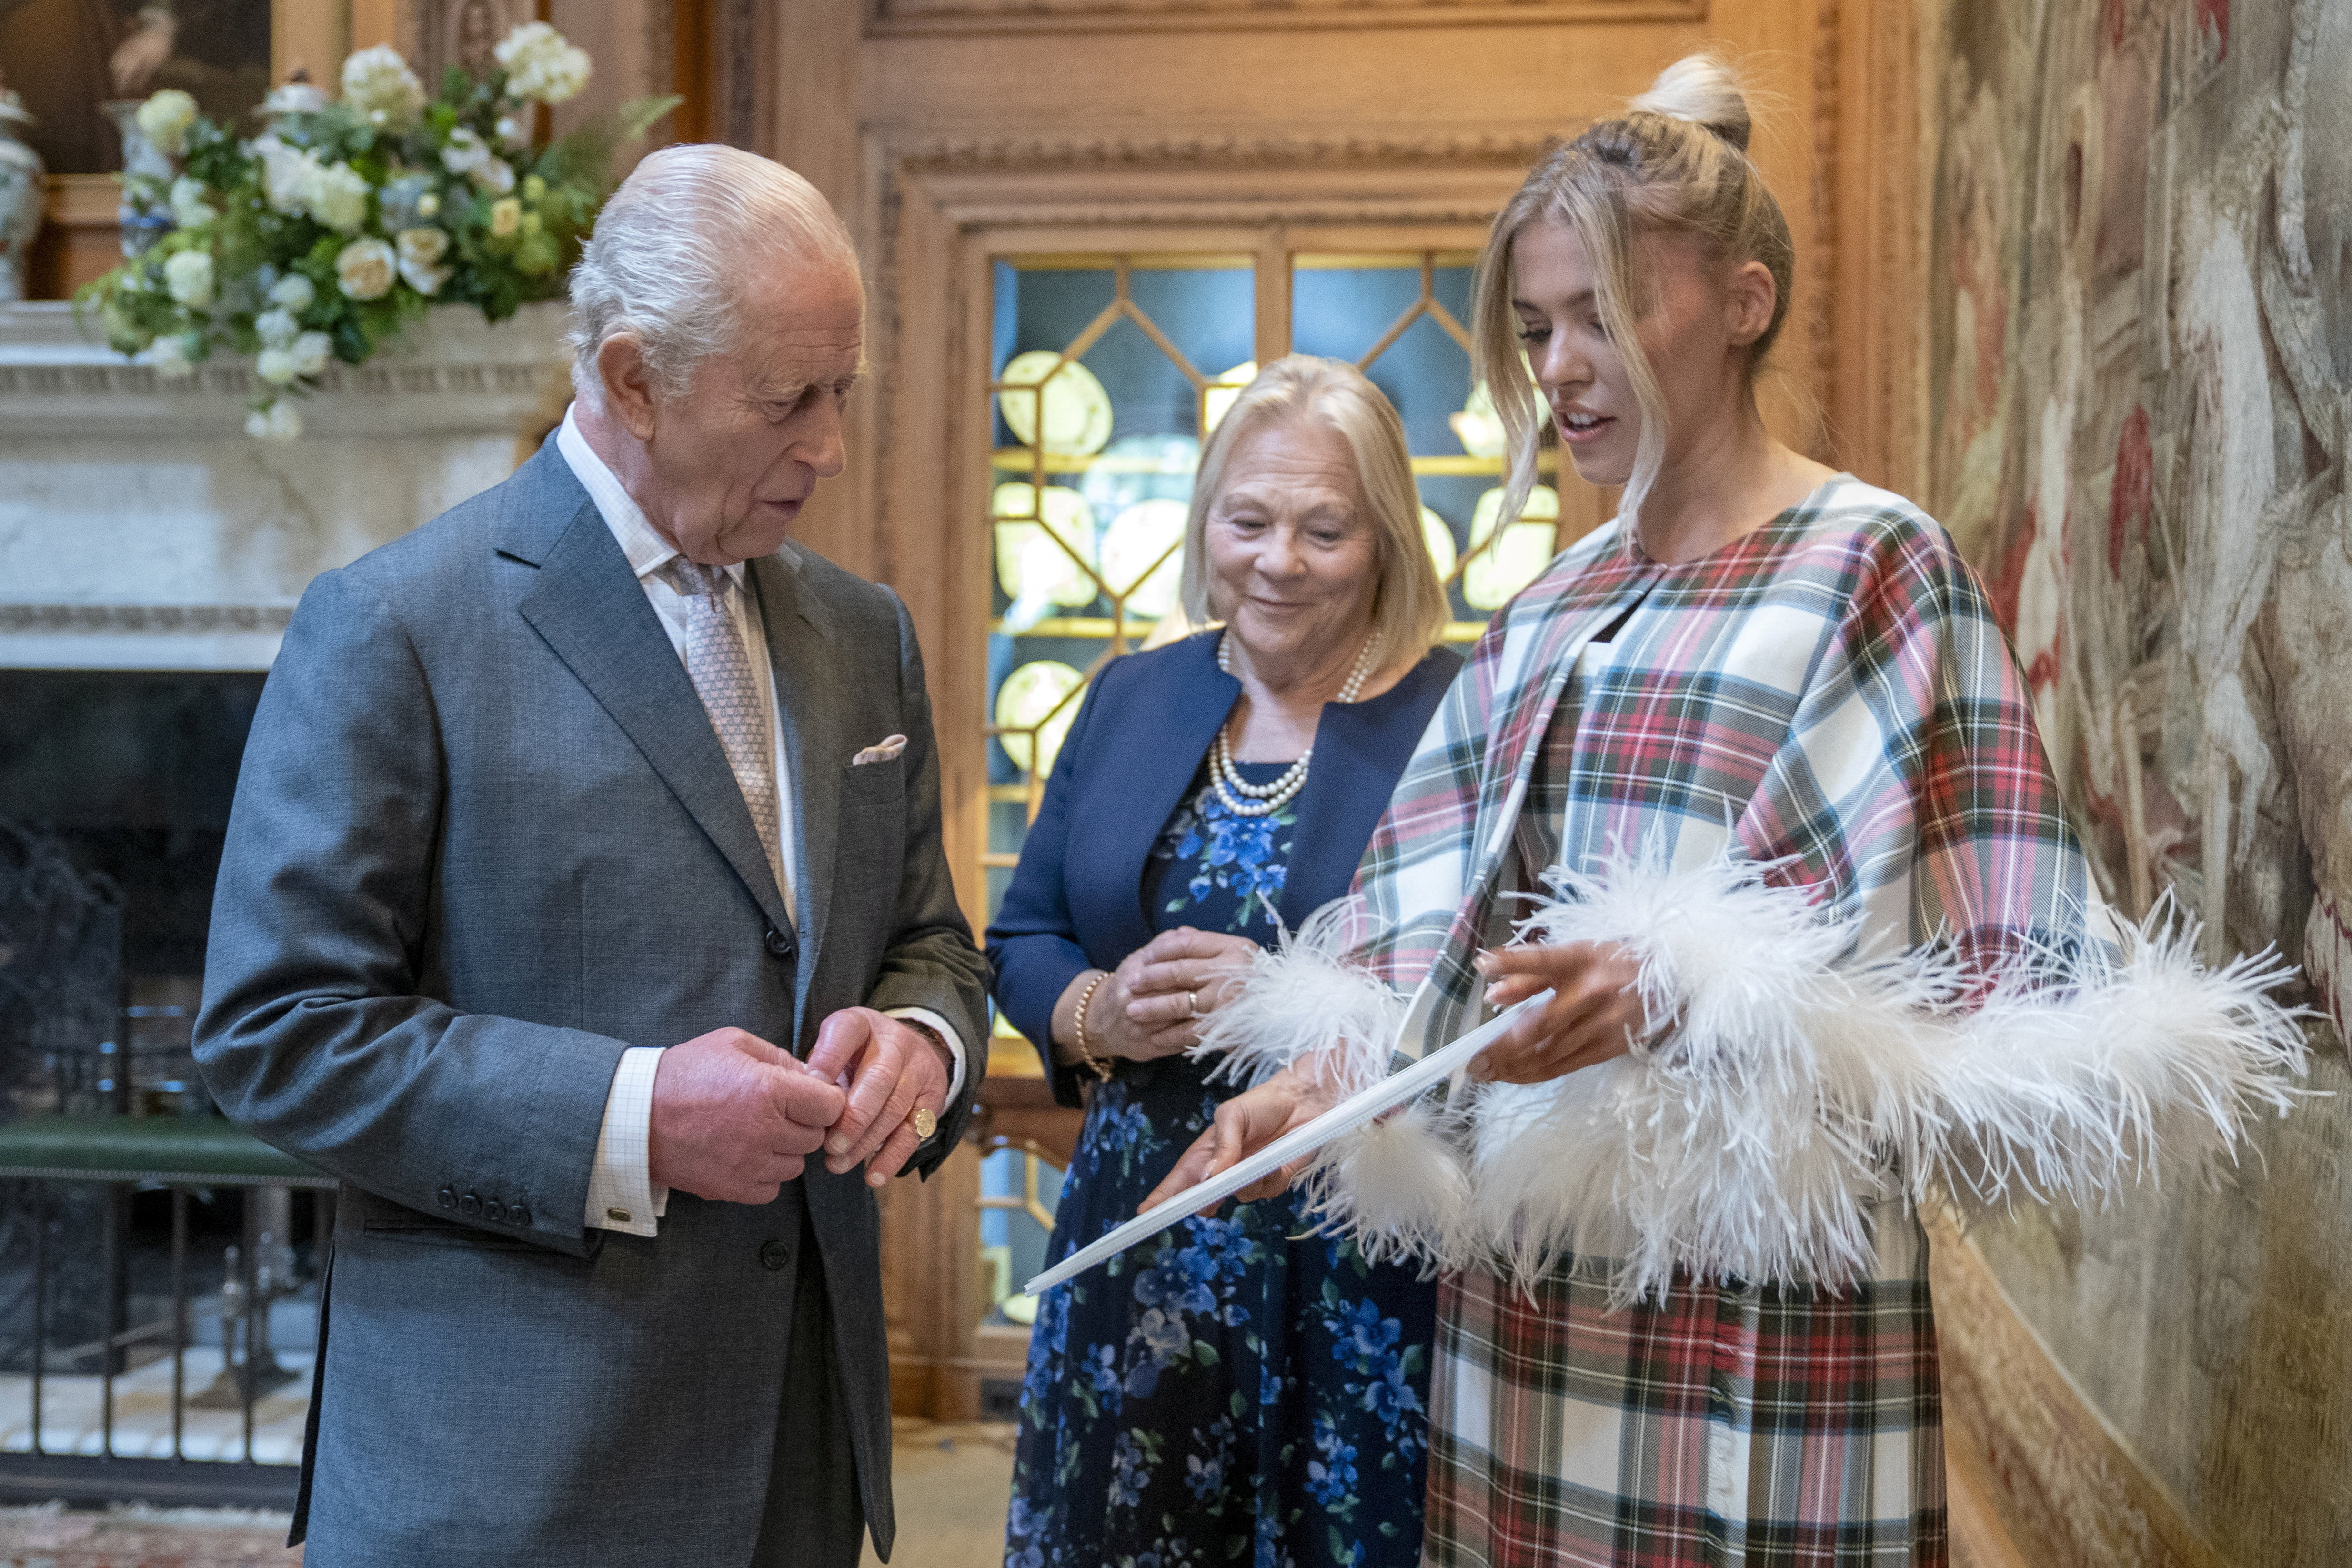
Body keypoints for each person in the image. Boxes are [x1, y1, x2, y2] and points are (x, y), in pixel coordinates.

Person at [1146, 57, 2302, 1568]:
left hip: (1763, 1293)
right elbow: (1424, 926)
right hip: (1531, 1299)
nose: (1561, 366)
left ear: (1743, 302)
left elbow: (1991, 952)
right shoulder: (1547, 611)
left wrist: (1692, 982)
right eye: (1538, 325)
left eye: (1605, 316)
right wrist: (1325, 1080)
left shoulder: (1873, 563)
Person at [193, 145, 988, 1568]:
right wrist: (634, 1117)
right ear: (631, 379)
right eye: (787, 398)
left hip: (798, 1461)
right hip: (510, 1487)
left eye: (843, 390)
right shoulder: (396, 625)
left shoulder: (866, 635)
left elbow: (931, 938)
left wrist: (925, 1040)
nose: (832, 446)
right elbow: (278, 1033)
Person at [989, 356, 1464, 1567]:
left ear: (1388, 542)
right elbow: (1024, 935)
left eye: (1325, 528)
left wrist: (1289, 1010)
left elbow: (1487, 968)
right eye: (1248, 520)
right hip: (1135, 1240)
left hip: (1357, 1253)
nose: (1278, 559)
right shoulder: (1132, 694)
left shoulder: (1460, 713)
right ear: (1207, 521)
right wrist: (1100, 1009)